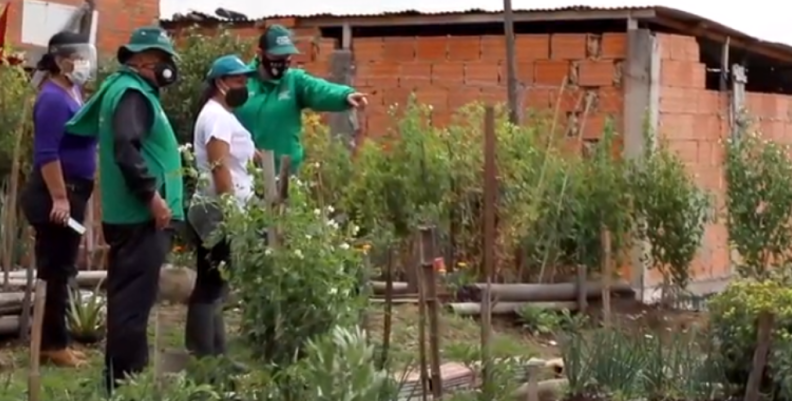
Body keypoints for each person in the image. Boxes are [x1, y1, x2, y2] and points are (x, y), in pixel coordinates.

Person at [64, 26, 183, 393]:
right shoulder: (132, 94)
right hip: (140, 218)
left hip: (131, 217)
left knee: (126, 303)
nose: (168, 69)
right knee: (132, 307)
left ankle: (118, 380)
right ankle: (125, 385)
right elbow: (126, 150)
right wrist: (153, 197)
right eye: (164, 61)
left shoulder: (124, 89)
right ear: (145, 60)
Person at [20, 31, 97, 368]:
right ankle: (51, 344)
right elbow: (47, 154)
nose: (83, 62)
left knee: (65, 267)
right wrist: (61, 199)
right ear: (60, 59)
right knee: (55, 269)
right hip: (56, 196)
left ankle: (58, 339)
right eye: (77, 56)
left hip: (75, 190)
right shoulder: (51, 98)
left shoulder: (74, 89)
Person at [185, 54, 257, 363]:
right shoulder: (216, 116)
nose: (244, 86)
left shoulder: (221, 114)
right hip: (217, 208)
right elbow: (218, 165)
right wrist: (230, 208)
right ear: (221, 83)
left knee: (215, 282)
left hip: (217, 206)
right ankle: (205, 356)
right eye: (239, 80)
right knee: (212, 282)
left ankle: (217, 354)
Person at [234, 24, 368, 173]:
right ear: (260, 54)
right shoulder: (242, 81)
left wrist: (345, 95)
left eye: (287, 57)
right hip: (246, 173)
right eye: (277, 57)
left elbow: (319, 89)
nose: (283, 62)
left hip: (286, 174)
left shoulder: (293, 80)